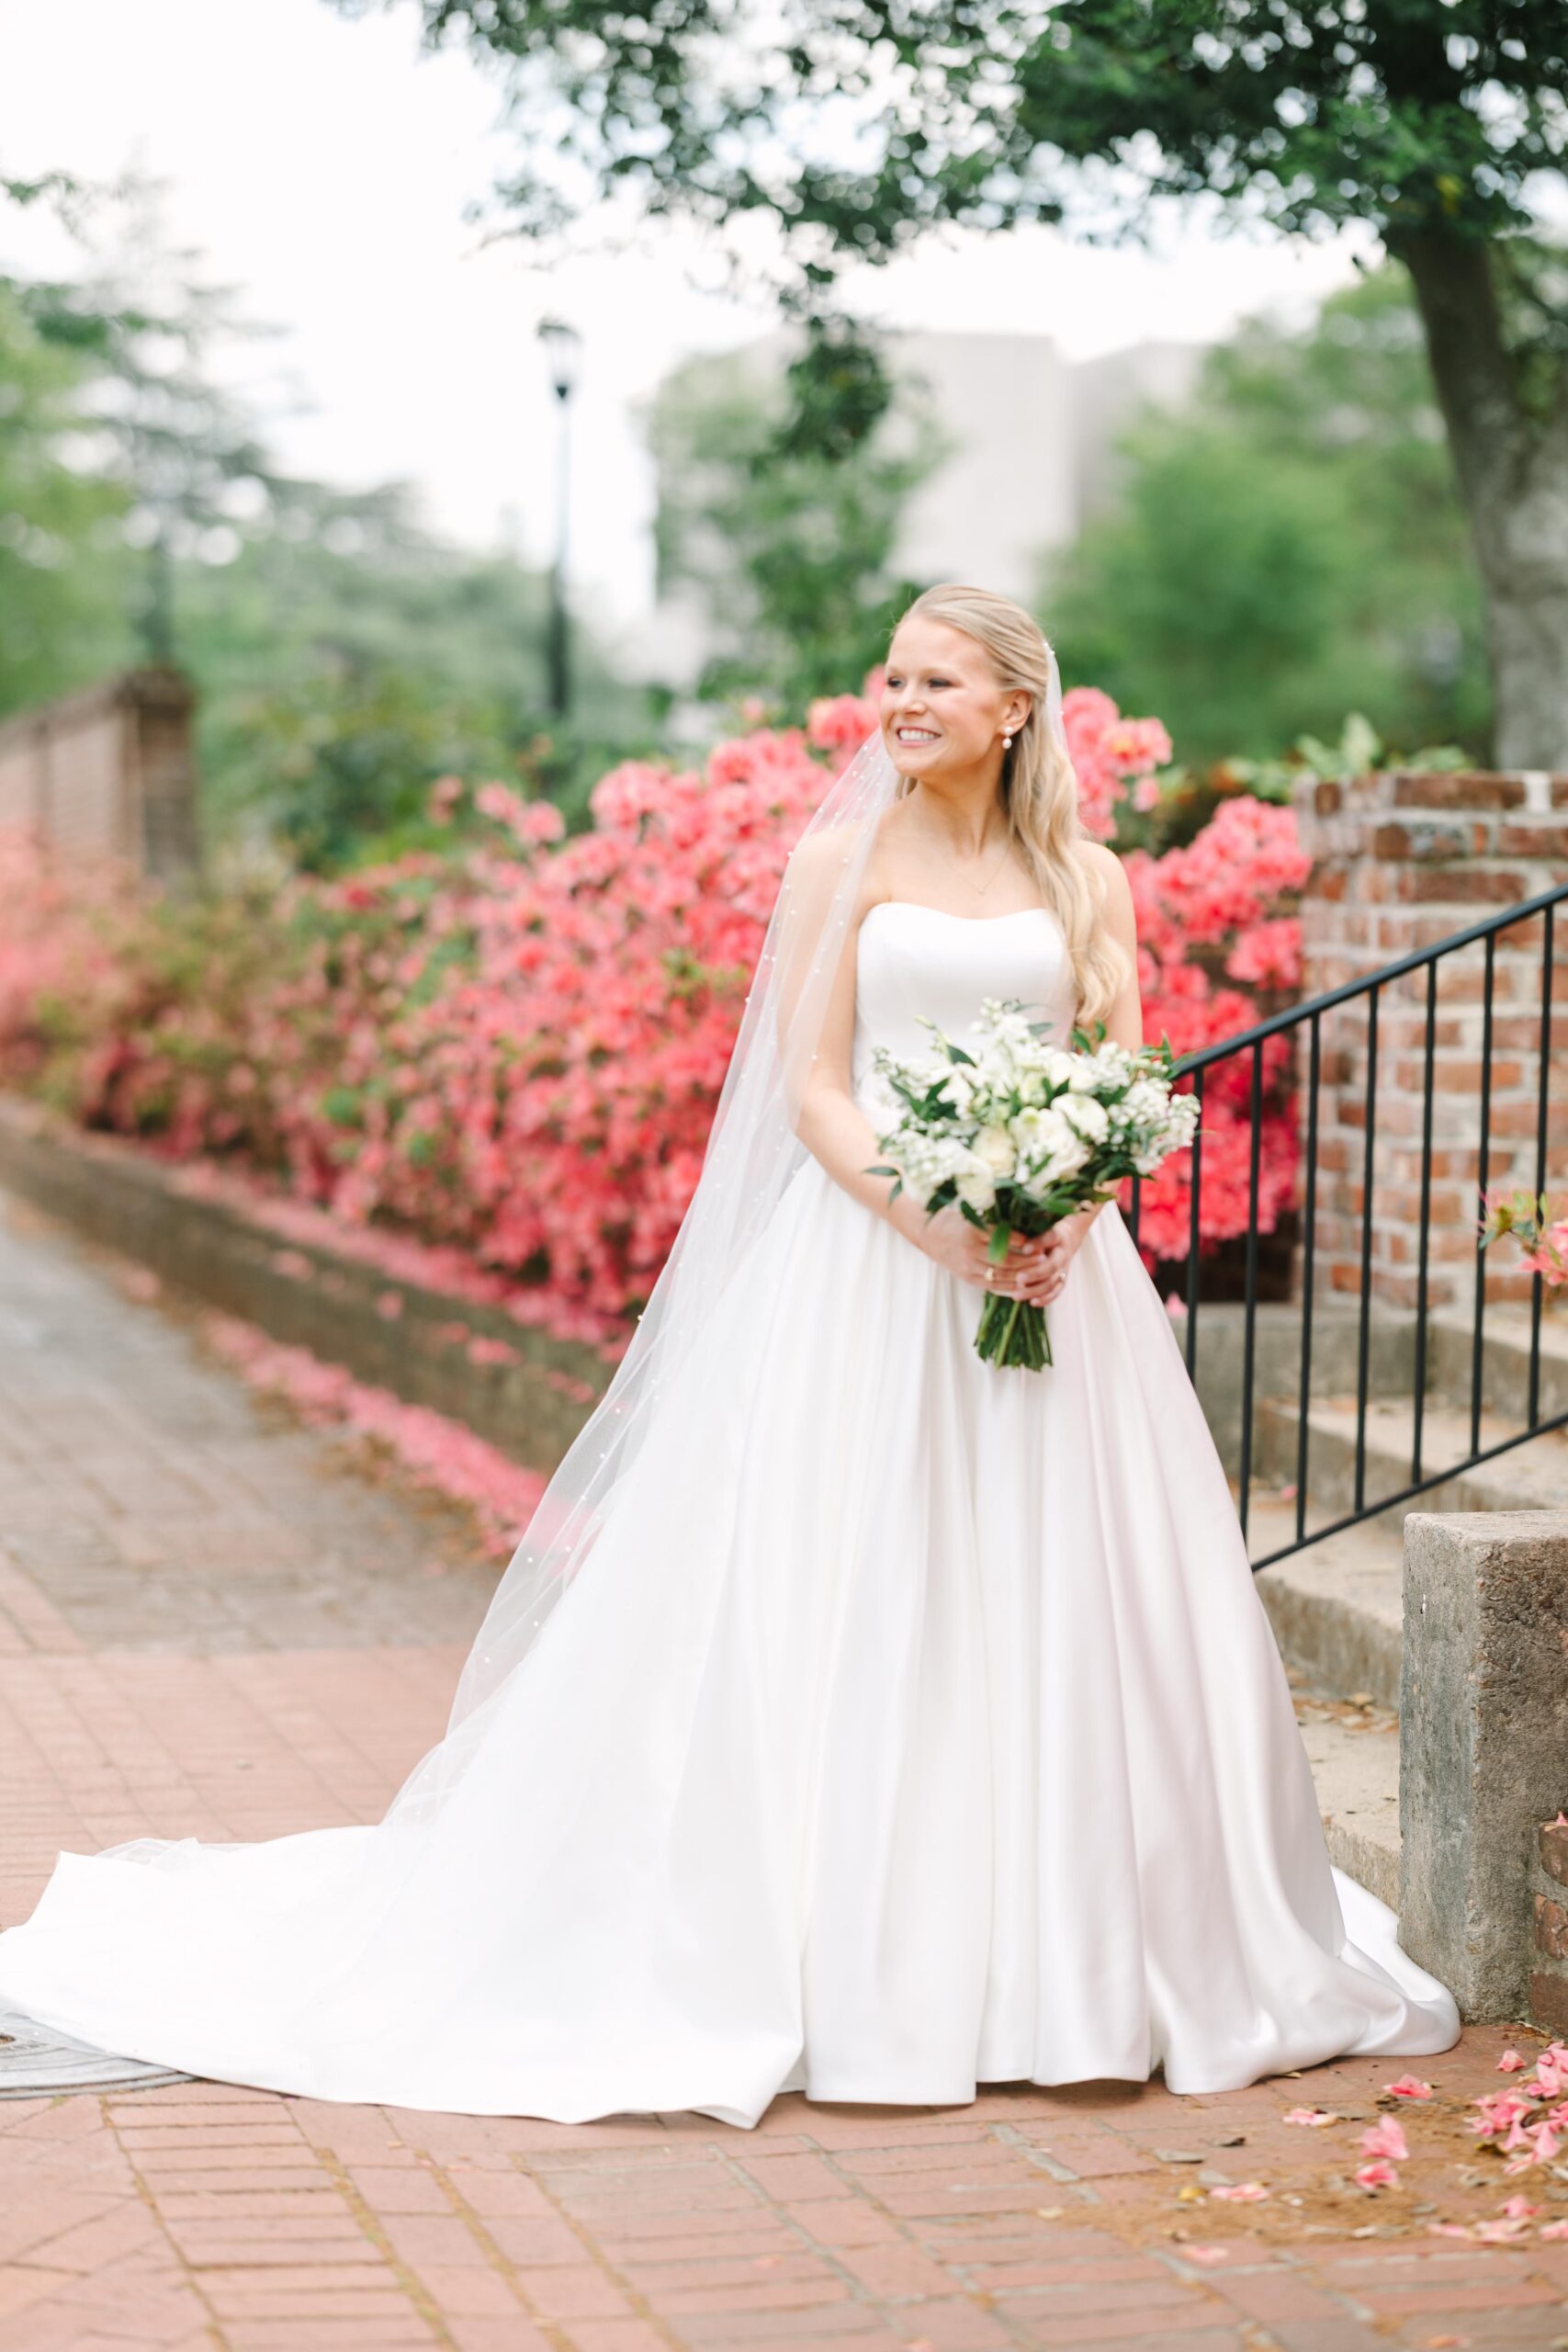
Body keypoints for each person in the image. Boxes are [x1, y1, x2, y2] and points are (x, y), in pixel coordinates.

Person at [0, 583, 1459, 2125]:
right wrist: (935, 1225)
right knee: (858, 1598)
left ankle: (1070, 1962)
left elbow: (1121, 1081)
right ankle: (859, 1967)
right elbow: (815, 1088)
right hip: (869, 1274)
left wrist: (1059, 1218)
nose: (901, 702)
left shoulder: (1089, 878)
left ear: (1016, 706)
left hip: (1056, 1290)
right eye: (891, 675)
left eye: (938, 681)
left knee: (1059, 1602)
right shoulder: (842, 859)